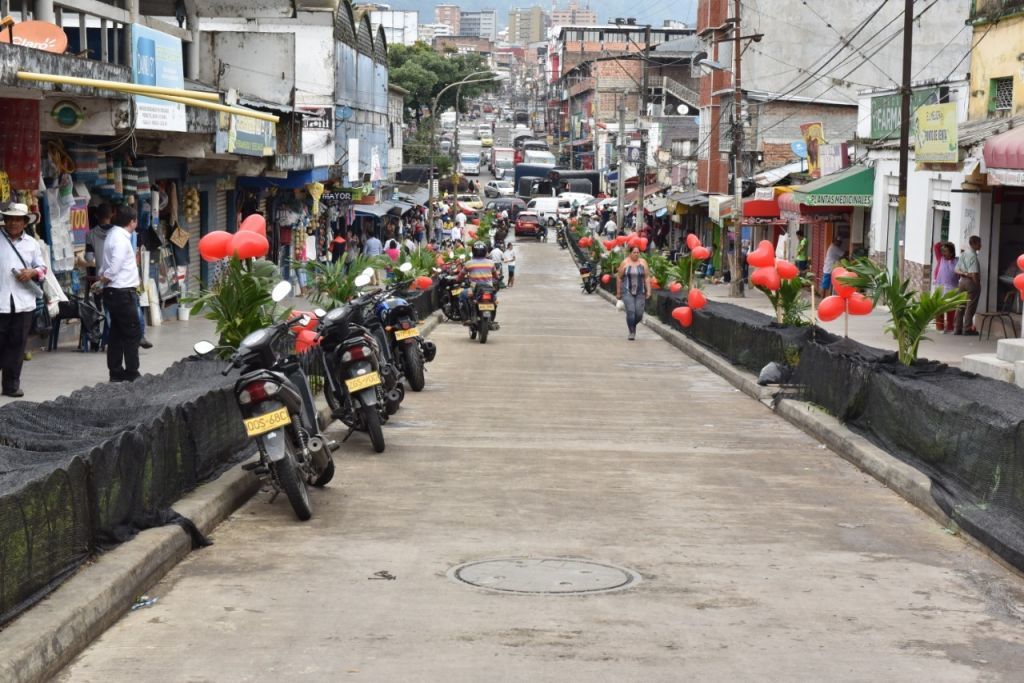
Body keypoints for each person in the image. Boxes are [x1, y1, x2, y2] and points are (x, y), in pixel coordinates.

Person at [0, 204, 47, 397]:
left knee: (17, 344)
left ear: (25, 222)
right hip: (1, 302)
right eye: (9, 219)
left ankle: (11, 385)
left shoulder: (32, 244)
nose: (13, 223)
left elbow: (43, 269)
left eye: (17, 219)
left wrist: (32, 272)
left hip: (23, 302)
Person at [100, 205, 143, 382]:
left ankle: (116, 372)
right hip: (122, 293)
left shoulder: (114, 235)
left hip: (116, 292)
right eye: (136, 221)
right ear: (132, 222)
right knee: (132, 333)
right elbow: (114, 266)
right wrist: (105, 278)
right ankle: (132, 372)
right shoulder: (120, 239)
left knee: (117, 333)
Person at [616, 245, 652, 341]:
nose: (636, 254)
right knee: (631, 311)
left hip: (640, 291)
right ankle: (632, 332)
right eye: (634, 252)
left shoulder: (643, 263)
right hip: (627, 290)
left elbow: (647, 277)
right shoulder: (625, 263)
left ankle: (632, 323)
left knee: (639, 313)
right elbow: (619, 277)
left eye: (637, 252)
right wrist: (618, 292)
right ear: (630, 253)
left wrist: (649, 290)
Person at [459, 241, 495, 320]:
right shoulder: (491, 263)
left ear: (473, 251)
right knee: (494, 300)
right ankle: (492, 319)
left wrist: (457, 279)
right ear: (485, 251)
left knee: (462, 294)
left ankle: (467, 318)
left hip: (474, 290)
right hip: (489, 289)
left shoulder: (469, 263)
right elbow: (496, 275)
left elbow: (460, 276)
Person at [954, 235, 982, 336]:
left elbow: (956, 269)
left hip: (962, 282)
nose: (981, 245)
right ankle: (967, 328)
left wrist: (965, 274)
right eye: (979, 243)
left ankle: (957, 328)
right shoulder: (973, 256)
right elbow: (974, 273)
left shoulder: (964, 253)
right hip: (971, 282)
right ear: (974, 243)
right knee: (970, 306)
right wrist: (977, 285)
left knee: (960, 305)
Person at [932, 241, 959, 333]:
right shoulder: (941, 258)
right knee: (939, 307)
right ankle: (940, 327)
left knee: (951, 308)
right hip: (940, 286)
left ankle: (950, 327)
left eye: (946, 251)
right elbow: (936, 246)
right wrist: (945, 243)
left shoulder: (957, 261)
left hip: (952, 287)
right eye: (942, 251)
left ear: (951, 252)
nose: (943, 253)